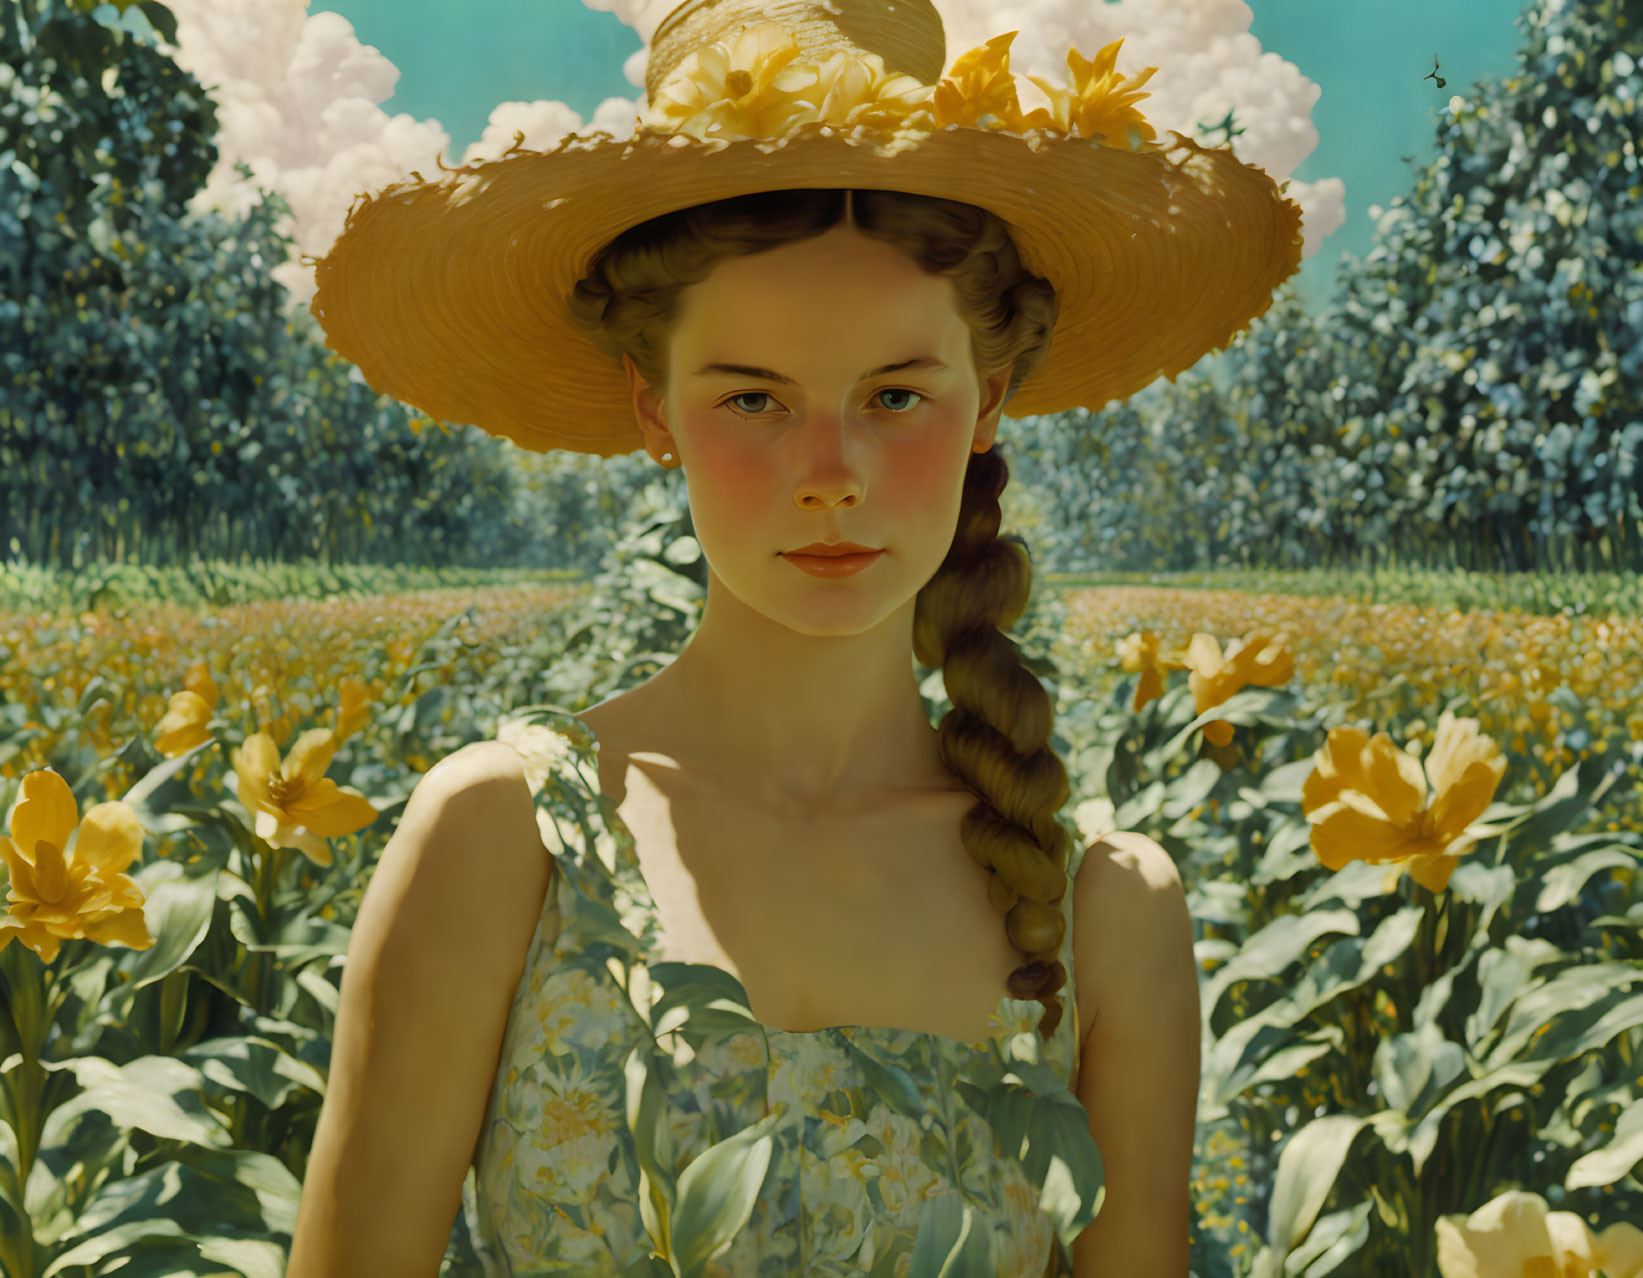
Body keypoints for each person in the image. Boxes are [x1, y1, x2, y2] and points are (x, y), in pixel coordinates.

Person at [287, 1, 1304, 1275]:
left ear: (987, 399)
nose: (831, 473)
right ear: (651, 406)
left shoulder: (1105, 913)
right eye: (753, 399)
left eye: (893, 395)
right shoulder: (502, 843)